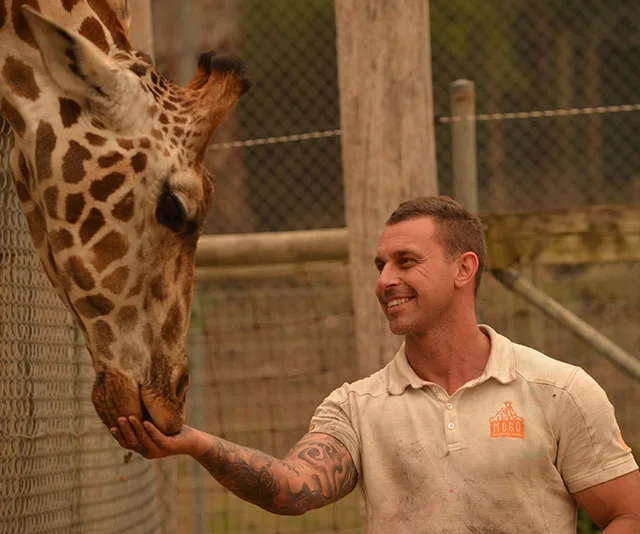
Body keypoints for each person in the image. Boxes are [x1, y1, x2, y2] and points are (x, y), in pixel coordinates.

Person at [112, 196, 640, 532]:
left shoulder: (558, 390)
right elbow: (294, 488)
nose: (385, 279)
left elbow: (626, 513)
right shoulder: (357, 407)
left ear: (465, 268)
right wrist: (201, 445)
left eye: (405, 262)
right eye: (380, 264)